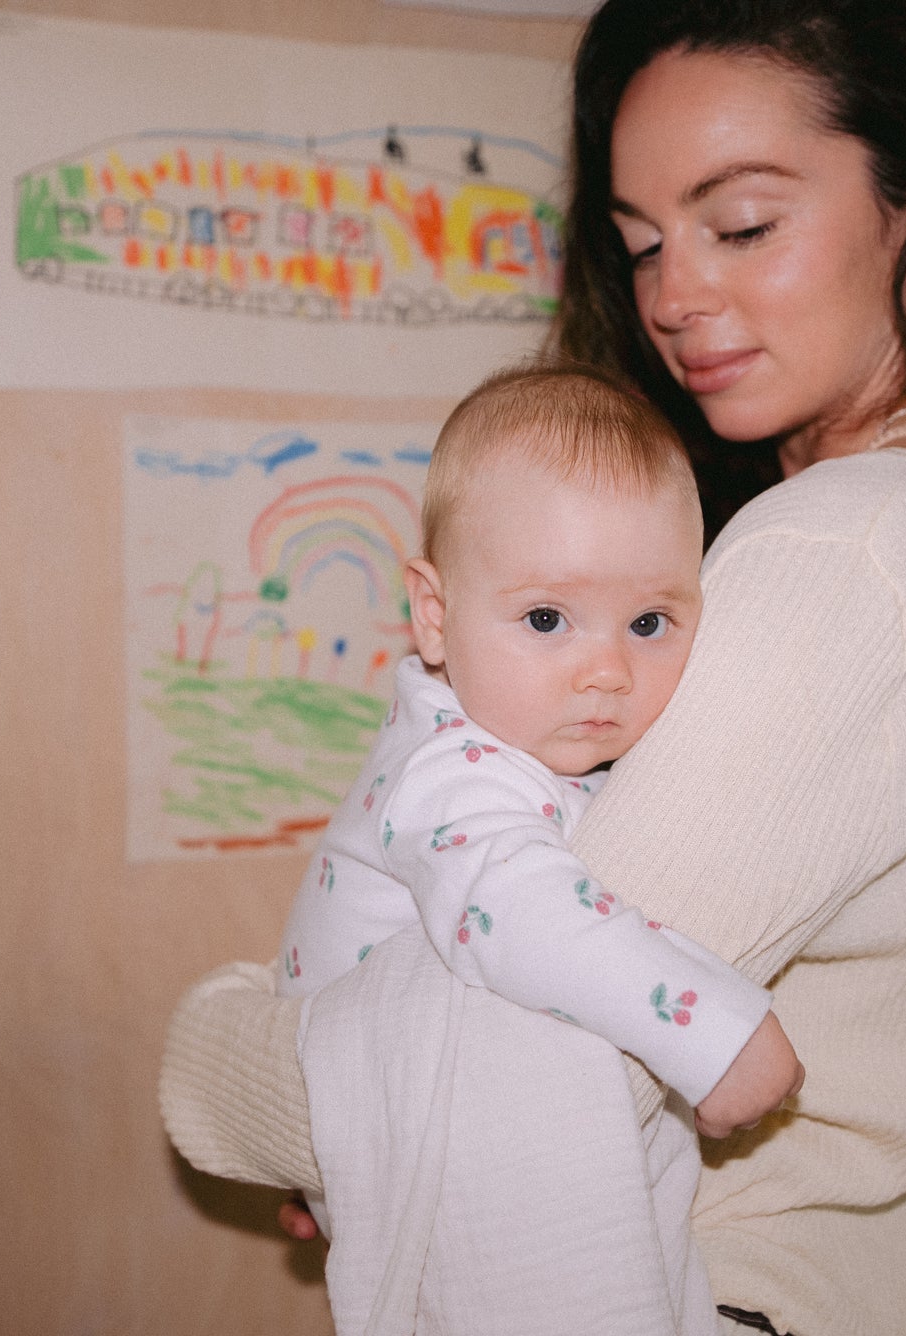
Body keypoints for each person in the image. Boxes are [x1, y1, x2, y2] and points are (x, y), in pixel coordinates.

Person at [161, 1, 906, 1332]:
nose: (673, 294)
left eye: (742, 225)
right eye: (642, 243)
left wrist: (219, 1056)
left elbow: (517, 1047)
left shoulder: (860, 552)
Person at [273, 363, 802, 1254]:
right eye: (549, 620)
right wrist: (718, 1038)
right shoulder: (451, 771)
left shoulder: (529, 739)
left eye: (648, 624)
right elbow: (526, 913)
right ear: (434, 615)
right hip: (403, 1147)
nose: (607, 671)